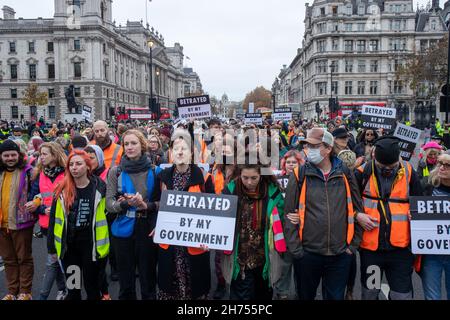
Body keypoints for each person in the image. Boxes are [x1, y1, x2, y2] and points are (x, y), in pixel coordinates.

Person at [283, 127, 363, 300]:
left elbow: (357, 209)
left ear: (328, 148)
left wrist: (352, 247)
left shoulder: (344, 173)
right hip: (308, 254)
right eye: (307, 146)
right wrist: (297, 251)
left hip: (340, 254)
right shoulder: (299, 174)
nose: (309, 151)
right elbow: (288, 214)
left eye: (314, 146)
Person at [354, 136, 423, 300]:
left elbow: (419, 203)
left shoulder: (409, 173)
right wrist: (358, 216)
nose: (387, 169)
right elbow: (348, 204)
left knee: (401, 295)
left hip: (400, 251)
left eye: (391, 166)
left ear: (399, 158)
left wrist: (416, 215)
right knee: (371, 292)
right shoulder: (362, 173)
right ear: (374, 157)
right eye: (381, 166)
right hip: (372, 251)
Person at [106, 130, 161, 300]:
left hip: (147, 229)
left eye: (133, 143)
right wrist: (125, 203)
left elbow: (164, 204)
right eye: (126, 144)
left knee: (148, 281)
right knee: (126, 283)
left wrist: (147, 205)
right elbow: (109, 204)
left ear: (142, 145)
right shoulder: (115, 171)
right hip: (122, 230)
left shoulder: (156, 171)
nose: (129, 147)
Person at [47, 150, 109, 300]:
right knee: (73, 289)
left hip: (91, 248)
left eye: (79, 163)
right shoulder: (62, 190)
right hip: (70, 249)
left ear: (88, 167)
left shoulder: (99, 188)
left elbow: (108, 216)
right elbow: (53, 219)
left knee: (92, 288)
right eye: (71, 164)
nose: (74, 167)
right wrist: (51, 247)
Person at [157, 134, 213, 300]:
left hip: (195, 243)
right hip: (170, 242)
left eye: (184, 149)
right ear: (171, 153)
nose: (179, 153)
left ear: (192, 153)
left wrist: (209, 237)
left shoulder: (204, 178)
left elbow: (213, 213)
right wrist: (157, 226)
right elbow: (156, 206)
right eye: (176, 149)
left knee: (195, 287)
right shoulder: (162, 176)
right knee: (170, 286)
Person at [221, 161, 286, 300]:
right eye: (245, 177)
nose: (249, 182)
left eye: (254, 178)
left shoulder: (273, 193)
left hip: (264, 260)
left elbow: (282, 218)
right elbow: (218, 221)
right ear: (239, 174)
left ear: (261, 175)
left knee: (263, 296)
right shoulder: (230, 191)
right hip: (239, 260)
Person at [28, 142, 68, 300]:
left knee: (60, 261)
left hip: (65, 226)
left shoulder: (67, 173)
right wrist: (41, 209)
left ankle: (44, 296)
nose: (41, 157)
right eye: (40, 154)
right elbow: (33, 199)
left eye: (44, 154)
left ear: (55, 154)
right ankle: (64, 289)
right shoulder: (39, 174)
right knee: (55, 260)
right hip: (46, 226)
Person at [0, 140, 35, 300]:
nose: (10, 158)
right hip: (2, 224)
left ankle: (25, 292)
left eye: (13, 155)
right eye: (6, 155)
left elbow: (38, 192)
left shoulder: (28, 171)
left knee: (24, 258)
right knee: (8, 259)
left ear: (18, 155)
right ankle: (12, 292)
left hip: (21, 223)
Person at [85, 145, 114, 299]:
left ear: (99, 158)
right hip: (82, 231)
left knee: (100, 264)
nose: (89, 161)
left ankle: (105, 293)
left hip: (103, 226)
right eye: (86, 158)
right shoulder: (78, 175)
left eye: (92, 157)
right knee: (83, 269)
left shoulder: (108, 173)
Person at [420, 154, 450, 300]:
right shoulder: (427, 185)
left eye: (447, 165)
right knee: (432, 296)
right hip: (432, 252)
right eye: (440, 163)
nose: (442, 167)